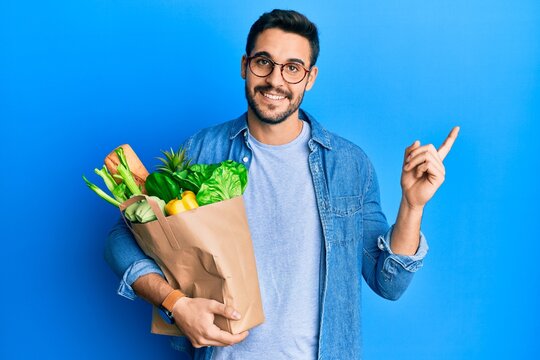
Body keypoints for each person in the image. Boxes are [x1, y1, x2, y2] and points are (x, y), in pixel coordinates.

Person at [104, 9, 459, 360]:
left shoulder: (349, 165)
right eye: (264, 62)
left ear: (310, 77)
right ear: (245, 66)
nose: (275, 80)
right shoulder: (202, 150)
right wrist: (175, 303)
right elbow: (121, 240)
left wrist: (413, 205)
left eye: (292, 68)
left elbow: (389, 283)